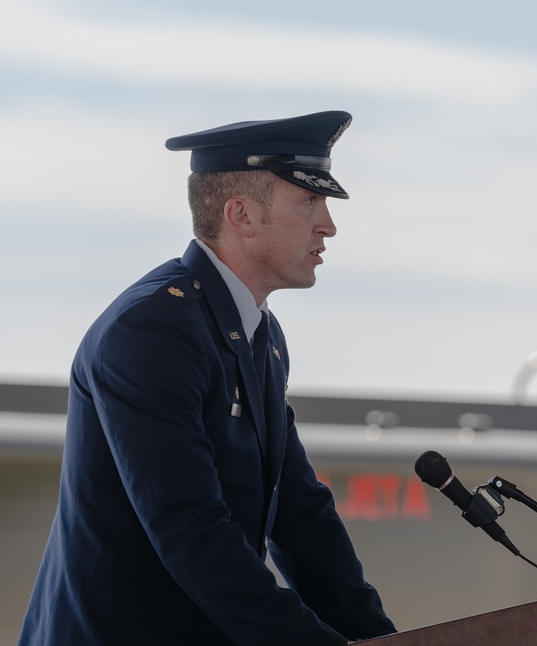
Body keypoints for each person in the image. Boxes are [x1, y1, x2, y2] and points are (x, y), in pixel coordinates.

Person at [18, 112, 397, 645]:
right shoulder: (151, 328)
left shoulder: (255, 332)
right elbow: (191, 530)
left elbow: (298, 514)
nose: (328, 224)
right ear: (241, 214)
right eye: (309, 201)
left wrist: (381, 637)